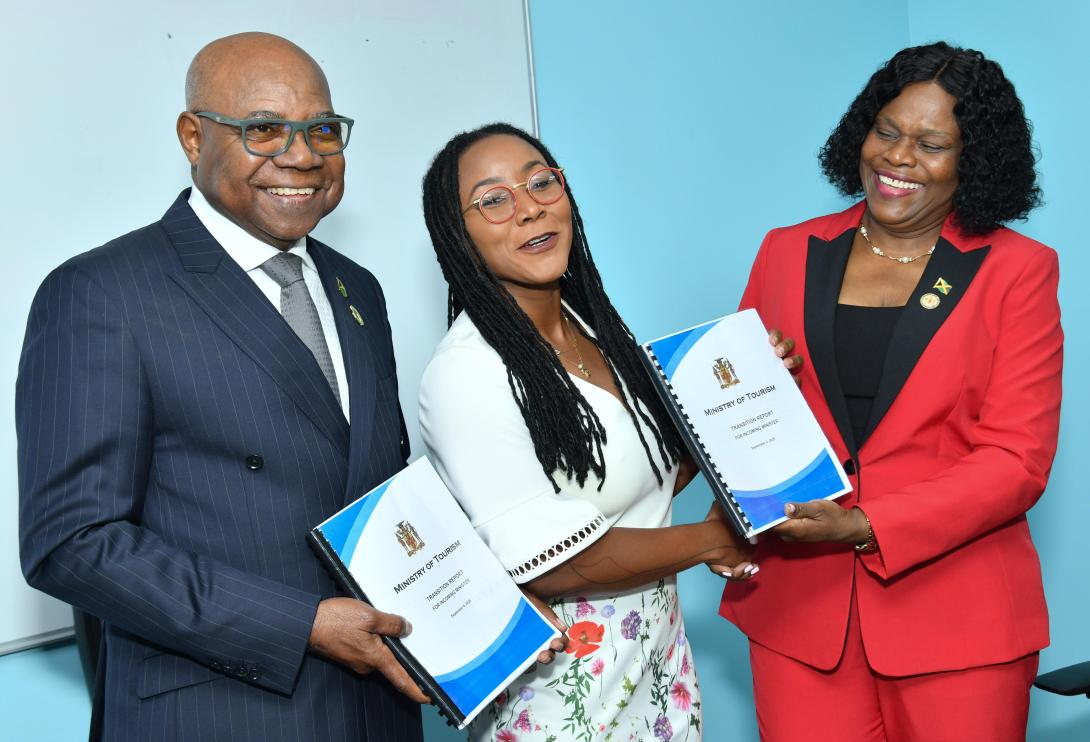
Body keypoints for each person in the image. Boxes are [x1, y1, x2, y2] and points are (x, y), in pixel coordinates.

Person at [17, 32, 435, 742]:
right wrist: (301, 625)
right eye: (264, 129)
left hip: (379, 710)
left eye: (322, 130)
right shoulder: (101, 292)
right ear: (193, 136)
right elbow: (72, 542)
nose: (302, 156)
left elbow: (373, 491)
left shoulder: (356, 289)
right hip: (220, 714)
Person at [720, 42, 1062, 742]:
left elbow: (1017, 459)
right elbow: (738, 415)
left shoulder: (1017, 270)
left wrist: (869, 525)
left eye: (931, 144)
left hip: (959, 619)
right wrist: (729, 514)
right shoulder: (787, 249)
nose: (898, 157)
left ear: (973, 160)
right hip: (798, 611)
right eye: (886, 131)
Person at [417, 123, 801, 741]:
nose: (529, 207)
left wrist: (735, 397)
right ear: (457, 235)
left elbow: (642, 476)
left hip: (658, 672)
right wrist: (712, 540)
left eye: (541, 182)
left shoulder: (591, 329)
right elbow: (556, 562)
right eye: (493, 199)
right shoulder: (466, 372)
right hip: (563, 697)